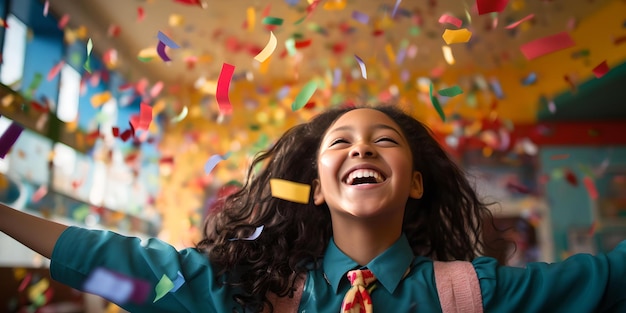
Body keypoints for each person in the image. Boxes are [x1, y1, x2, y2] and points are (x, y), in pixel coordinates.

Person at [1, 105, 626, 313]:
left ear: (413, 184)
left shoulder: (474, 293)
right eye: (341, 141)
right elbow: (129, 271)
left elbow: (607, 282)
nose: (362, 145)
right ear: (319, 187)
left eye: (385, 139)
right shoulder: (253, 292)